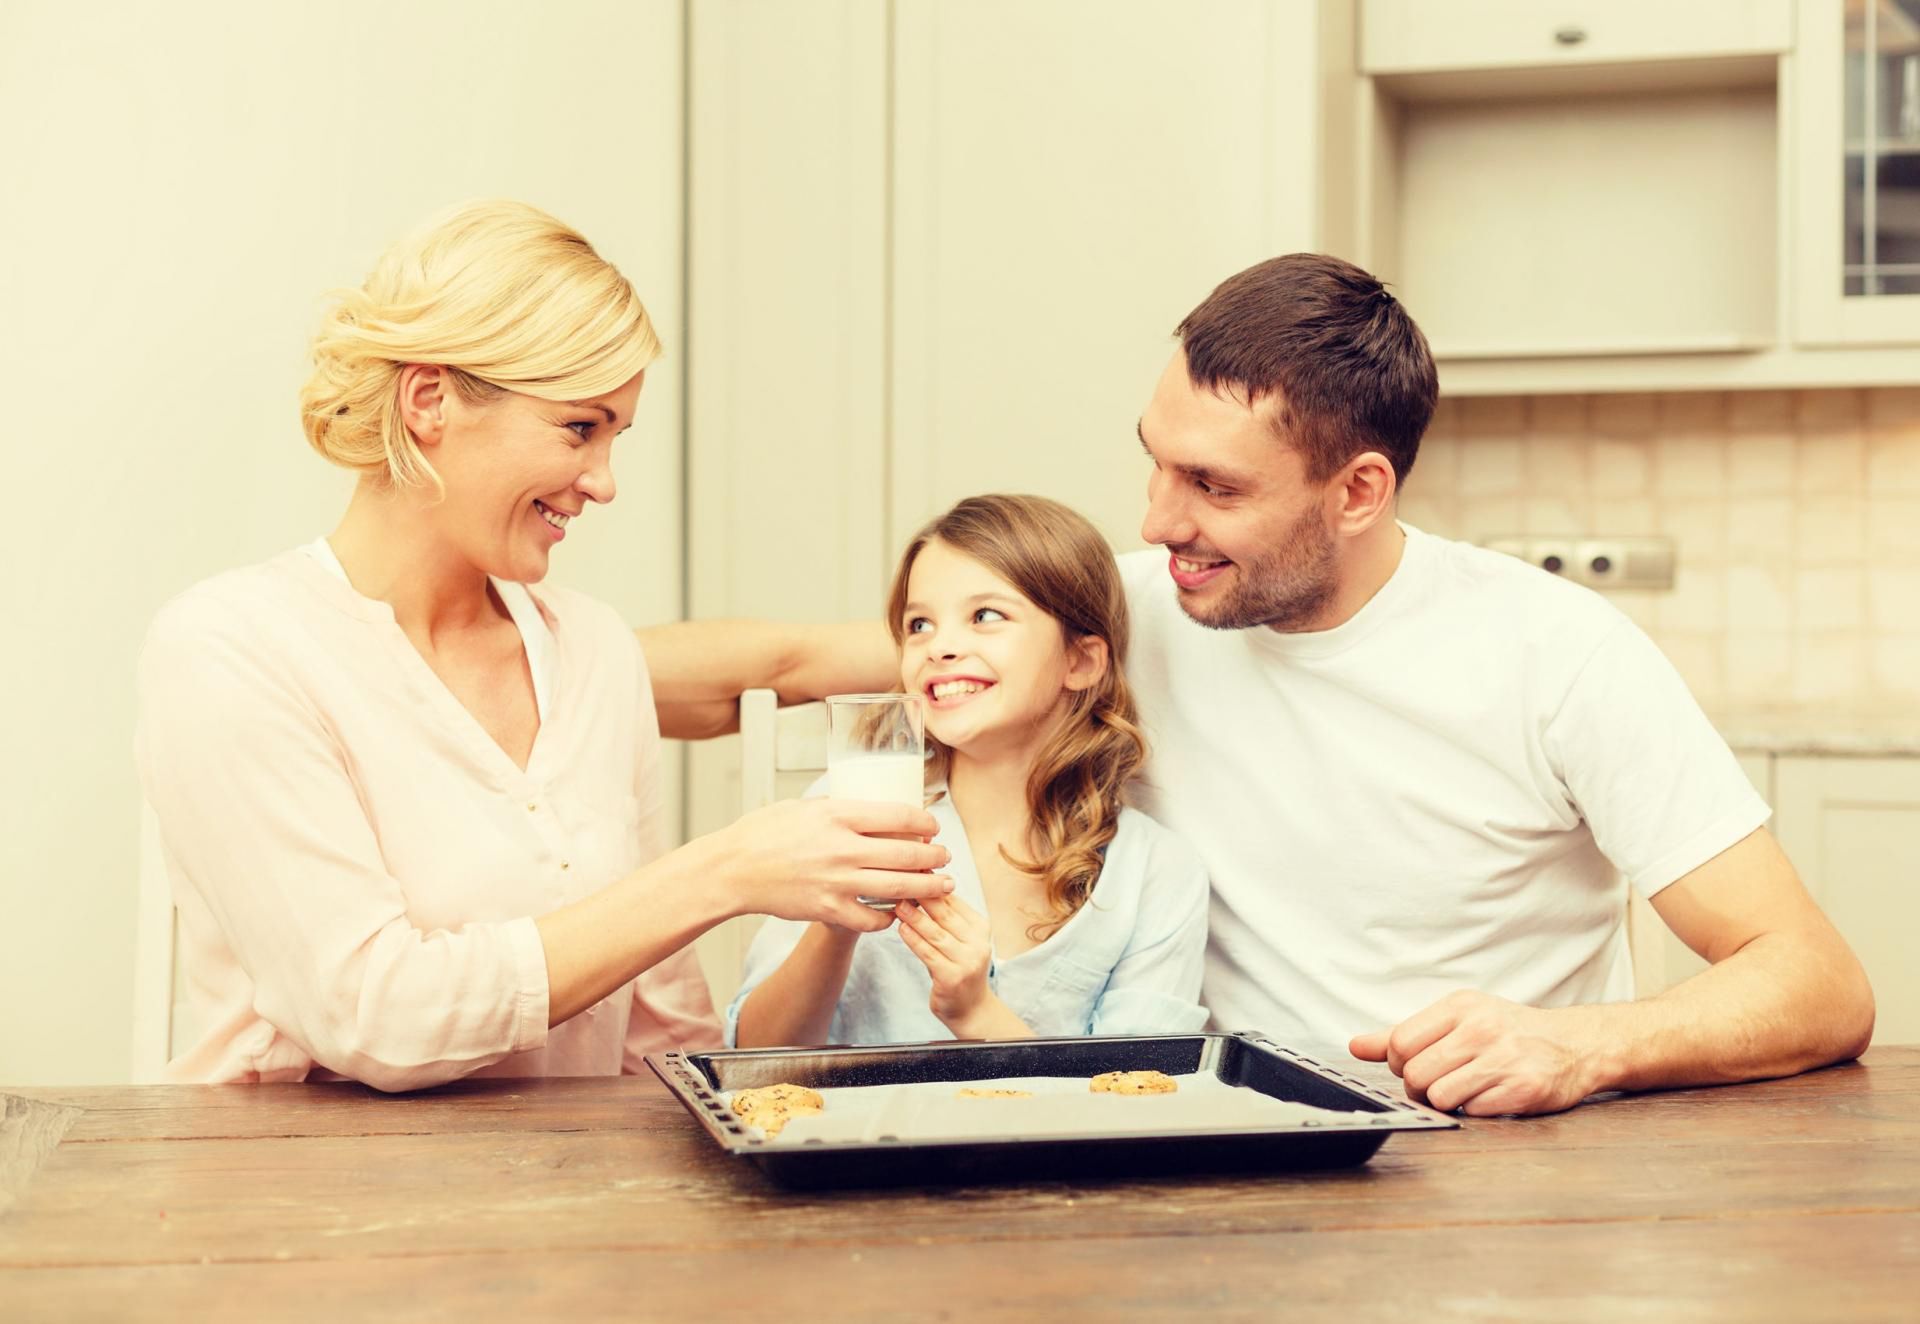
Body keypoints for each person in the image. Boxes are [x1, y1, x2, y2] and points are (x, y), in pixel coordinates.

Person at [134, 200, 951, 1090]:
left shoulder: (592, 650)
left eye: (616, 437)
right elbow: (371, 1015)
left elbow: (659, 1041)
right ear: (429, 400)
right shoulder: (233, 647)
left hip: (570, 1202)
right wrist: (724, 871)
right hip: (297, 1203)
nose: (602, 483)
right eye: (579, 428)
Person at [1122, 252, 1875, 1114]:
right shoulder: (1109, 622)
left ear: (1360, 491)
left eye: (1214, 487)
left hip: (1503, 1165)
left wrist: (1584, 1045)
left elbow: (1819, 982)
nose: (1158, 521)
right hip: (1233, 1160)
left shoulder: (1557, 653)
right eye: (1158, 462)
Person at [728, 495, 1210, 1047]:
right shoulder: (843, 813)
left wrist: (978, 1015)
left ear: (1080, 662)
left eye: (985, 616)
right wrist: (834, 926)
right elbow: (755, 1057)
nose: (941, 647)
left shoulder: (1156, 876)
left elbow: (1139, 1104)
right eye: (919, 624)